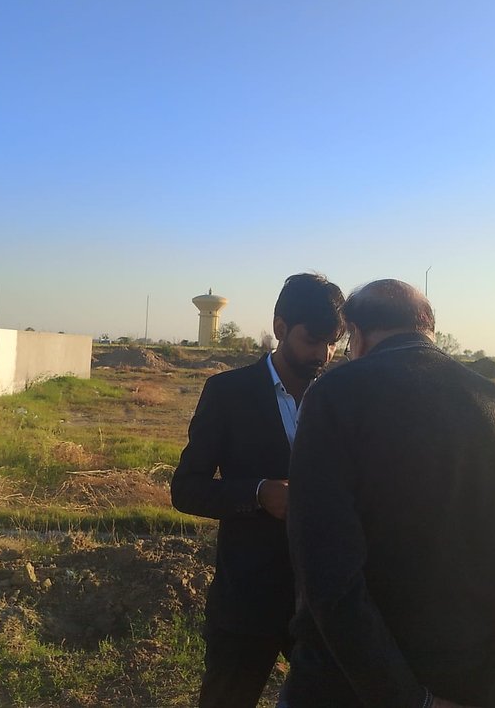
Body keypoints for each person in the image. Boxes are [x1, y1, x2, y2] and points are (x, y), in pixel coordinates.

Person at [283, 279, 495, 708]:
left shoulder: (336, 395)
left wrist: (408, 699)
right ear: (429, 330)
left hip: (347, 688)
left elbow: (328, 571)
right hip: (469, 681)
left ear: (356, 334)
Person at [171, 272, 346, 708]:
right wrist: (258, 493)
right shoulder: (228, 392)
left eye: (333, 342)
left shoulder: (342, 399)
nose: (323, 354)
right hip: (248, 601)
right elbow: (186, 489)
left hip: (324, 601)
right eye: (313, 340)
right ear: (280, 327)